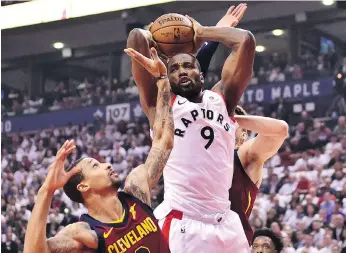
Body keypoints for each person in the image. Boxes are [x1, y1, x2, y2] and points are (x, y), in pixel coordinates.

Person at [126, 3, 255, 252]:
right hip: (184, 222)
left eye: (188, 65)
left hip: (227, 222)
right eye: (174, 69)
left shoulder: (223, 99)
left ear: (202, 74)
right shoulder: (161, 104)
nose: (181, 71)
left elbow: (245, 42)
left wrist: (201, 32)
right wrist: (162, 35)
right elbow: (136, 38)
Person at [23, 49, 174, 253]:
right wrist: (47, 190)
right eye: (95, 165)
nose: (107, 164)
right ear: (83, 186)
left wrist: (163, 81)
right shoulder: (84, 234)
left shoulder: (136, 191)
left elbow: (164, 142)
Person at [230, 106, 289, 244]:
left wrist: (229, 119)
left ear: (244, 134)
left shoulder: (245, 155)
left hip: (230, 242)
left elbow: (280, 130)